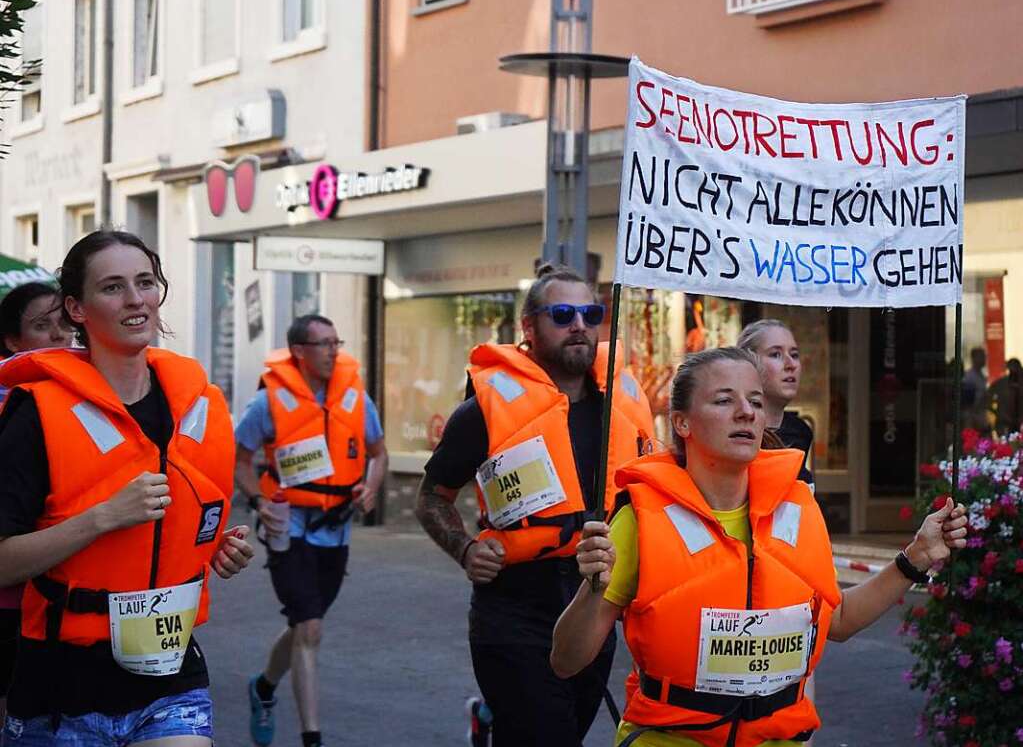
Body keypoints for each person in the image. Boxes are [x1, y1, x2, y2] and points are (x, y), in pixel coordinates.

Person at [550, 347, 968, 747]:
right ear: (682, 423)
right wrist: (592, 590)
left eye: (755, 399)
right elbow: (566, 661)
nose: (747, 412)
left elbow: (837, 619)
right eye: (723, 400)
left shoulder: (798, 508)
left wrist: (916, 557)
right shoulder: (640, 521)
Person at [0, 230, 253, 746]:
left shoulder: (198, 404)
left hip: (171, 677)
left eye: (145, 282)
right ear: (77, 308)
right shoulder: (35, 415)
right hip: (61, 690)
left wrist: (219, 547)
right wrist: (103, 517)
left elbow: (190, 526)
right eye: (112, 287)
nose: (135, 299)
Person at [416, 264, 655, 747]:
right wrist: (465, 550)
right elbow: (431, 497)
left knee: (564, 729)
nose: (580, 326)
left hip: (594, 604)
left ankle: (491, 722)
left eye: (591, 313)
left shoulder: (623, 405)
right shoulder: (486, 409)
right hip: (515, 610)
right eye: (563, 314)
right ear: (529, 328)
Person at [234, 314, 388, 747]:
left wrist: (371, 486)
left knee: (306, 625)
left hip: (336, 529)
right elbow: (239, 458)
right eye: (323, 344)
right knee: (311, 628)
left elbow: (378, 453)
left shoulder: (356, 397)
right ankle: (312, 738)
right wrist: (260, 501)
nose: (333, 351)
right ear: (299, 352)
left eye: (336, 342)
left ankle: (263, 687)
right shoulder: (268, 403)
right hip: (289, 526)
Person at [0, 281, 73, 725]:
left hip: (64, 589)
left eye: (65, 323)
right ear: (12, 341)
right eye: (43, 326)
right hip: (11, 596)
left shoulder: (92, 393)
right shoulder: (11, 400)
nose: (59, 335)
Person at [737, 319, 813, 490]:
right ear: (749, 364)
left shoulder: (800, 432)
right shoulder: (734, 432)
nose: (791, 364)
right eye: (775, 354)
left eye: (794, 355)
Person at [987, 357, 1022, 436]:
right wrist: (998, 413)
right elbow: (987, 399)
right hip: (1004, 424)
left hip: (1019, 423)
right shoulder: (1001, 384)